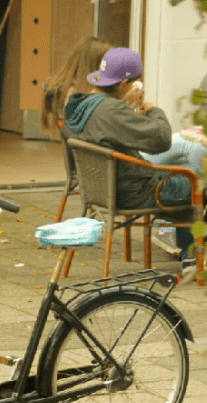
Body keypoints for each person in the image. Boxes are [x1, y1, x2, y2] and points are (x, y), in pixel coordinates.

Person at [62, 47, 202, 279]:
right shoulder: (111, 110)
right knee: (195, 185)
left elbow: (114, 129)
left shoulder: (79, 107)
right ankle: (191, 256)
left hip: (100, 190)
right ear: (123, 83)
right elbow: (160, 140)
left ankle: (189, 256)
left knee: (184, 179)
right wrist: (152, 110)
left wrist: (126, 106)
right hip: (135, 192)